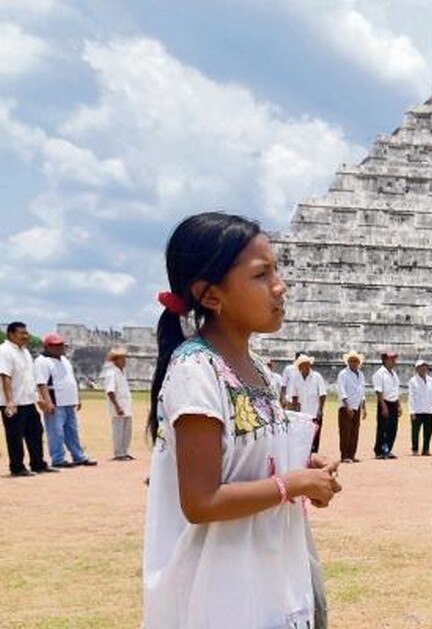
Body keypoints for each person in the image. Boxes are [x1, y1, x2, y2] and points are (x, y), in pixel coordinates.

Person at [143, 212, 341, 627]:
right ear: (211, 296)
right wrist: (292, 484)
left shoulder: (258, 369)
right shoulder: (197, 370)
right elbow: (201, 501)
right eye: (261, 274)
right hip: (223, 596)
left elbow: (249, 467)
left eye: (276, 270)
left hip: (269, 581)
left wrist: (306, 473)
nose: (280, 285)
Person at [1, 321, 55, 477]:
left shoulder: (24, 352)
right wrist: (10, 401)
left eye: (26, 333)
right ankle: (17, 467)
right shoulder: (4, 351)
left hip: (28, 401)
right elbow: (5, 376)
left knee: (36, 432)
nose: (26, 336)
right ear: (11, 334)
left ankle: (38, 464)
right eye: (21, 333)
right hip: (13, 403)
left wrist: (38, 399)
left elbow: (30, 379)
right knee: (15, 436)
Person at [34, 333, 96, 468]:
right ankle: (58, 459)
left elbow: (71, 380)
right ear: (48, 347)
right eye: (57, 345)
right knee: (56, 432)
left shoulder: (65, 360)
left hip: (69, 401)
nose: (61, 347)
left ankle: (78, 456)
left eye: (62, 345)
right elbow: (41, 383)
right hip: (55, 402)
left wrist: (77, 398)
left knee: (72, 431)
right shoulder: (42, 361)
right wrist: (48, 401)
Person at [288, 355, 327, 453]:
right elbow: (294, 396)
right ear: (299, 367)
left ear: (309, 365)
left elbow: (322, 395)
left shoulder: (317, 377)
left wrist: (320, 410)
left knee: (315, 436)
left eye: (306, 364)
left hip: (315, 411)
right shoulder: (296, 377)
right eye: (302, 365)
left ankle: (314, 455)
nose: (305, 367)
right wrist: (294, 410)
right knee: (303, 436)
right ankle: (304, 456)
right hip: (303, 414)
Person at [103, 347, 134, 461]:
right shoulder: (111, 373)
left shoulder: (122, 372)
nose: (124, 361)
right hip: (118, 406)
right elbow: (110, 391)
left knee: (127, 430)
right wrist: (117, 406)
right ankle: (119, 453)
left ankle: (125, 451)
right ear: (115, 360)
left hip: (126, 405)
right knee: (118, 430)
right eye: (122, 359)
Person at [337, 351, 366, 464]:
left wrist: (363, 407)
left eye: (356, 361)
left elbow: (361, 391)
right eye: (352, 361)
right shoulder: (343, 374)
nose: (354, 363)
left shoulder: (361, 374)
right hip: (346, 407)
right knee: (345, 432)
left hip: (357, 406)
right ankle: (345, 455)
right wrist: (347, 406)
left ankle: (352, 454)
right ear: (348, 362)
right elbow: (341, 390)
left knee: (354, 432)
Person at [372, 352, 402, 460]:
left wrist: (399, 405)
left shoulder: (394, 373)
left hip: (394, 402)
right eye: (391, 359)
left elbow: (396, 390)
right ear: (385, 360)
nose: (394, 361)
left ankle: (388, 449)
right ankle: (379, 450)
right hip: (385, 402)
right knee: (382, 427)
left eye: (394, 359)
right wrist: (383, 406)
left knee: (392, 428)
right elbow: (379, 391)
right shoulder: (379, 373)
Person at [407, 360, 432, 456]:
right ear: (417, 369)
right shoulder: (413, 381)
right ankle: (415, 449)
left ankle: (426, 449)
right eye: (421, 367)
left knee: (428, 431)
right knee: (415, 431)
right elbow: (411, 397)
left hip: (428, 409)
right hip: (417, 410)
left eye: (425, 366)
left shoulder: (431, 380)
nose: (424, 368)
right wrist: (411, 411)